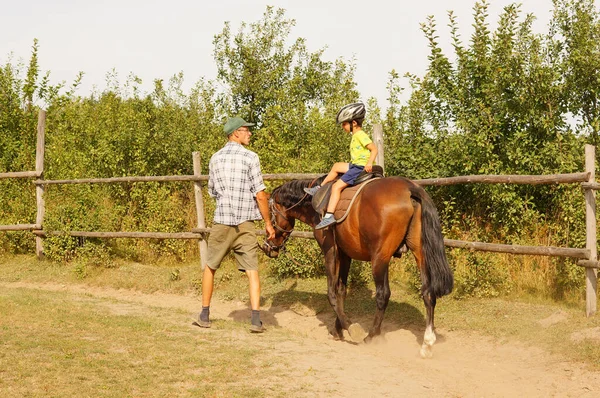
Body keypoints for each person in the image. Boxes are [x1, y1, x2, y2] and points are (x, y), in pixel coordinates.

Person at [195, 116, 275, 333]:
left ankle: (204, 314)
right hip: (244, 223)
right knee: (252, 270)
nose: (249, 133)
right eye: (246, 130)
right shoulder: (251, 158)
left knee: (210, 266)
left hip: (222, 220)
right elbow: (260, 194)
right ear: (235, 133)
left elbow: (212, 190)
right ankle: (256, 320)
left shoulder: (215, 158)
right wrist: (268, 222)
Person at [304, 102, 378, 229]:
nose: (343, 126)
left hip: (359, 167)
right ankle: (319, 188)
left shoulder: (360, 135)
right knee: (336, 166)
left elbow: (374, 149)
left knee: (336, 187)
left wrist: (369, 163)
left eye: (344, 123)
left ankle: (329, 216)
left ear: (353, 123)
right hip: (355, 164)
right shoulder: (355, 135)